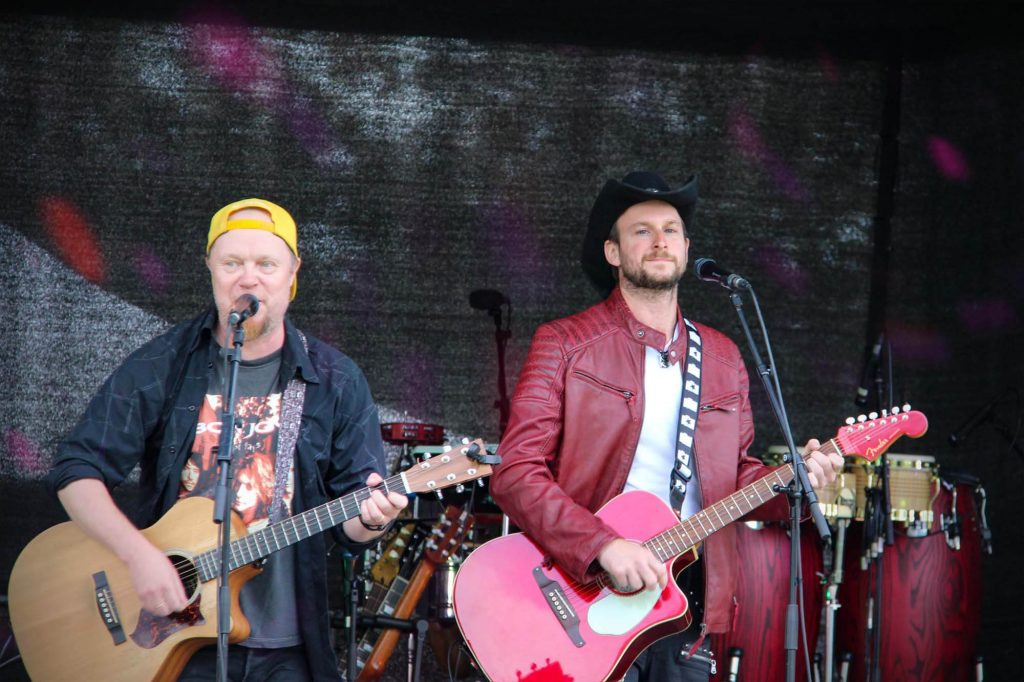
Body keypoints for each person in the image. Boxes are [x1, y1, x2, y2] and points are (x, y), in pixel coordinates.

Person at [488, 171, 843, 682]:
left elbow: (734, 481)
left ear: (686, 247)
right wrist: (602, 546)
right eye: (641, 230)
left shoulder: (722, 355)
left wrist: (795, 480)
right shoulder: (563, 343)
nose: (659, 241)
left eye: (671, 230)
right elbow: (515, 471)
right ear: (612, 252)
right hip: (582, 593)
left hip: (684, 605)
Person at [47, 198, 407, 681]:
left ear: (292, 274)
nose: (248, 278)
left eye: (266, 264)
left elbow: (351, 531)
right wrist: (139, 558)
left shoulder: (335, 380)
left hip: (287, 648)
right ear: (211, 269)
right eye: (232, 263)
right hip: (171, 638)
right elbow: (76, 470)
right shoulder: (165, 363)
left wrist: (375, 520)